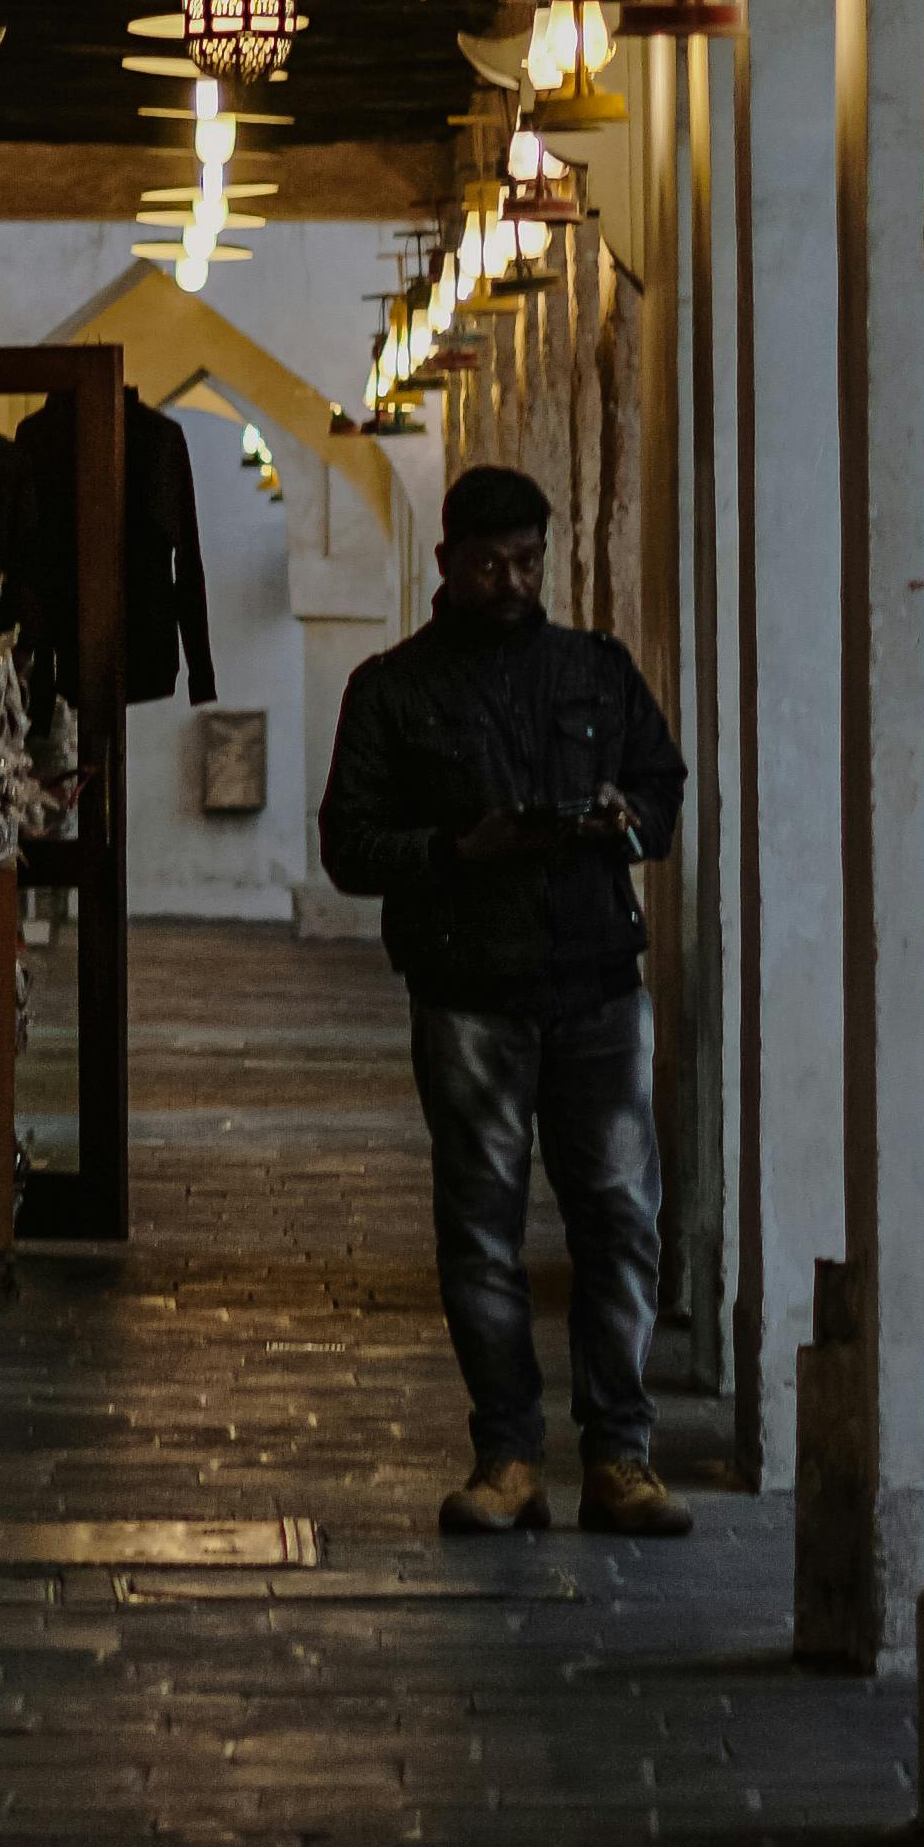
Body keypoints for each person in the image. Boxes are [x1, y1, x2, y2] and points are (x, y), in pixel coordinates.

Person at [316, 463, 693, 1537]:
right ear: (446, 562)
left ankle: (620, 1455)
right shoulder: (394, 690)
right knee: (481, 1227)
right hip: (468, 989)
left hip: (595, 985)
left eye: (527, 560)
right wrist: (456, 848)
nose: (511, 580)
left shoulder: (594, 671)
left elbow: (662, 792)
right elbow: (349, 845)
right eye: (489, 563)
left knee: (620, 1219)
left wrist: (620, 813)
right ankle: (508, 1455)